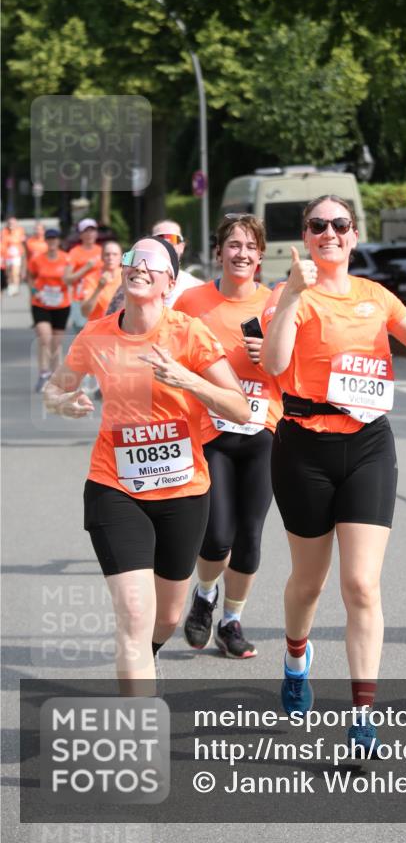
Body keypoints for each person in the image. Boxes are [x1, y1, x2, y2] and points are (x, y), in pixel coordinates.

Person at [261, 194, 406, 753]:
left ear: (352, 234)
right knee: (309, 582)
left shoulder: (376, 296)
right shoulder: (289, 294)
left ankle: (363, 714)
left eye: (339, 225)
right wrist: (293, 294)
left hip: (369, 444)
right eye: (318, 225)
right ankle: (296, 655)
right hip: (303, 447)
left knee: (362, 585)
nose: (329, 233)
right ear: (306, 235)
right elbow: (274, 364)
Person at [44, 235, 250, 692]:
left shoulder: (188, 334)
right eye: (133, 259)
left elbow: (239, 408)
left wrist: (187, 379)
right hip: (115, 487)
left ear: (169, 283)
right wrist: (65, 403)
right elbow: (53, 390)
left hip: (183, 491)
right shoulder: (96, 334)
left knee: (167, 616)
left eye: (152, 262)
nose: (139, 265)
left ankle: (148, 654)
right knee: (135, 615)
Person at [174, 214, 282, 658]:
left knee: (250, 536)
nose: (242, 254)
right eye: (233, 245)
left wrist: (272, 355)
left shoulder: (278, 301)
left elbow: (300, 364)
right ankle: (203, 595)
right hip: (210, 430)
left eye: (250, 246)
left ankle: (232, 621)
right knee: (217, 536)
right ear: (218, 252)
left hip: (264, 429)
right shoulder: (192, 300)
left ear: (260, 255)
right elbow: (169, 351)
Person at [28, 227, 71, 392]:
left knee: (56, 342)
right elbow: (30, 276)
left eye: (55, 238)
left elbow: (70, 279)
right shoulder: (37, 259)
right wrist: (34, 291)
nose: (52, 241)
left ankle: (55, 375)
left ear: (58, 241)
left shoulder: (66, 259)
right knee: (45, 338)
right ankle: (43, 373)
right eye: (49, 238)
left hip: (61, 304)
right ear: (45, 241)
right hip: (41, 303)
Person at [64, 218, 103, 330]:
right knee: (82, 332)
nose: (89, 234)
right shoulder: (74, 252)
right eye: (86, 231)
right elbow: (67, 279)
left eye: (92, 230)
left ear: (96, 233)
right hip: (80, 298)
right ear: (80, 235)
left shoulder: (102, 251)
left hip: (100, 297)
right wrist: (86, 268)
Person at [81, 240, 123, 321]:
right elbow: (85, 313)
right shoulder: (91, 278)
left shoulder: (126, 276)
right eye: (107, 254)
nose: (111, 258)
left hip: (121, 327)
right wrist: (99, 288)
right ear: (102, 257)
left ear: (121, 257)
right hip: (98, 328)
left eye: (115, 254)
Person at [2, 216, 26, 296]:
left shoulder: (20, 230)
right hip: (7, 254)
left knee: (15, 272)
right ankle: (10, 287)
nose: (11, 224)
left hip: (17, 254)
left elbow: (22, 240)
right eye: (10, 223)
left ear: (16, 224)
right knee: (8, 272)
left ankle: (16, 288)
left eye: (13, 223)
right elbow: (3, 242)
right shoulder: (4, 231)